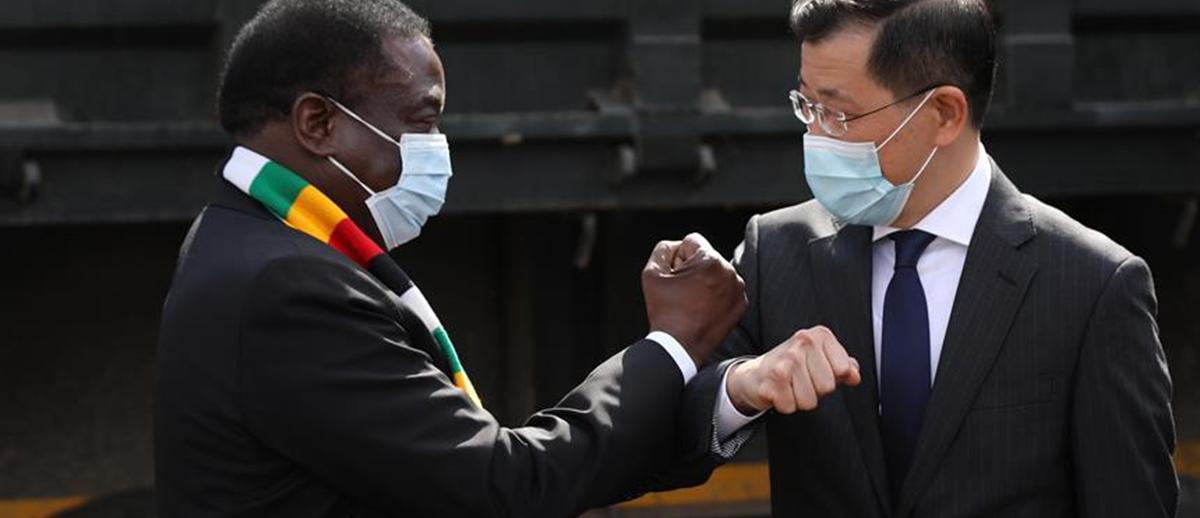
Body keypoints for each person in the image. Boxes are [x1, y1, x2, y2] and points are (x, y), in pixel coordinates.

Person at [151, 1, 833, 516]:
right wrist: (672, 343)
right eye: (421, 119)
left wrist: (731, 393)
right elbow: (507, 488)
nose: (436, 146)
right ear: (318, 124)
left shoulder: (244, 239)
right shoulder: (288, 287)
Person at [679, 1, 1179, 516]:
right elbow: (672, 432)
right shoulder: (776, 250)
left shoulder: (1092, 285)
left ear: (944, 113)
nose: (817, 137)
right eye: (807, 107)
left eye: (839, 114)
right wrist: (745, 384)